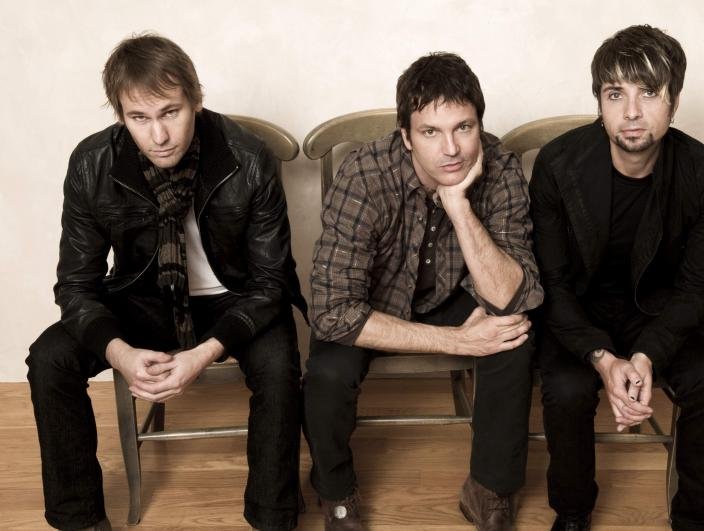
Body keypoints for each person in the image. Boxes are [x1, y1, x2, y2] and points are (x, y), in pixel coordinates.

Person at [26, 33, 307, 531]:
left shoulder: (248, 156)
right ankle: (79, 520)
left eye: (170, 112)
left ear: (196, 99)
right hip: (142, 298)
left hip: (235, 299)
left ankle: (273, 517)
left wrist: (203, 353)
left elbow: (270, 283)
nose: (158, 135)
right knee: (49, 358)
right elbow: (75, 285)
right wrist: (119, 352)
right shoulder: (92, 163)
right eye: (139, 118)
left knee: (279, 363)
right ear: (120, 116)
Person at [304, 51, 544, 531]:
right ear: (406, 137)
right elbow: (332, 312)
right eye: (431, 132)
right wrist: (457, 342)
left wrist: (458, 205)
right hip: (374, 303)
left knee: (513, 334)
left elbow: (514, 296)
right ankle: (336, 492)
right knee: (327, 373)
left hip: (455, 296)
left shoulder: (500, 167)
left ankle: (489, 490)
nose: (451, 149)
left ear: (479, 126)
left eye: (464, 128)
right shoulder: (364, 175)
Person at [530, 24, 704, 531]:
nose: (631, 112)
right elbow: (551, 282)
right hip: (578, 310)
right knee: (566, 387)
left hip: (662, 311)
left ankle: (701, 521)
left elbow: (698, 287)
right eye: (614, 94)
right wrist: (602, 357)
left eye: (648, 93)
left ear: (674, 102)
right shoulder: (557, 164)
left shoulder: (703, 172)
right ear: (599, 102)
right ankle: (572, 513)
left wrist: (646, 355)